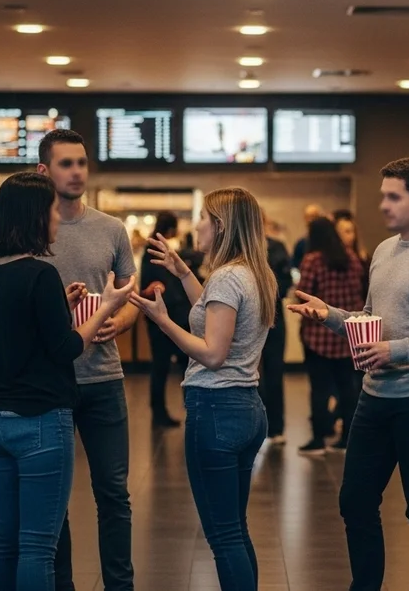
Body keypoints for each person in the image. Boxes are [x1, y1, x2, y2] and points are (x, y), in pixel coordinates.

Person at [289, 157, 409, 591]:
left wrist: (397, 350)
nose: (383, 205)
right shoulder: (382, 251)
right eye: (383, 196)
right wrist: (330, 314)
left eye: (393, 197)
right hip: (375, 398)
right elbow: (371, 319)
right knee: (355, 502)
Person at [0, 172, 135, 591]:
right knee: (37, 547)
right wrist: (107, 308)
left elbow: (20, 326)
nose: (55, 219)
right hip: (41, 420)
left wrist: (58, 305)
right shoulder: (41, 273)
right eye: (50, 210)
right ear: (34, 215)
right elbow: (66, 348)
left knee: (4, 538)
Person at [130, 187, 279, 591]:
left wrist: (163, 321)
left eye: (203, 218)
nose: (196, 225)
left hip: (216, 410)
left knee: (224, 536)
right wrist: (184, 273)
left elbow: (213, 353)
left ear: (221, 226)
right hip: (247, 408)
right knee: (235, 528)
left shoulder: (228, 277)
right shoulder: (255, 273)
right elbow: (212, 315)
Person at [34, 129, 139, 591]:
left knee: (113, 493)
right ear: (44, 171)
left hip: (103, 377)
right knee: (54, 498)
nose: (77, 171)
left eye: (81, 162)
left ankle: (120, 585)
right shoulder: (32, 232)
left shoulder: (111, 229)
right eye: (66, 163)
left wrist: (123, 321)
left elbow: (130, 294)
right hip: (50, 380)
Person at [297, 217, 366, 454]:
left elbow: (303, 294)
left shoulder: (312, 260)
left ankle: (318, 439)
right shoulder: (352, 258)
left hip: (318, 336)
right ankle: (346, 438)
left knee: (320, 389)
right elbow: (360, 292)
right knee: (348, 388)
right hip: (346, 334)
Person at [140, 212, 190, 427]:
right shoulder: (157, 250)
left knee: (164, 366)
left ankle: (162, 413)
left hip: (166, 317)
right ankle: (166, 413)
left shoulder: (155, 249)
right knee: (168, 366)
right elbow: (151, 286)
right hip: (167, 317)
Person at [262, 211, 293, 445]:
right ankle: (258, 426)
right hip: (251, 319)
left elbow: (286, 281)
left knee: (273, 374)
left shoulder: (277, 248)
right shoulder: (241, 250)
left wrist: (266, 290)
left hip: (274, 318)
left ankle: (276, 427)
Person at [291, 203, 325, 270]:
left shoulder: (327, 242)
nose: (310, 220)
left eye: (313, 216)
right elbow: (294, 265)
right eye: (307, 217)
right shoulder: (301, 243)